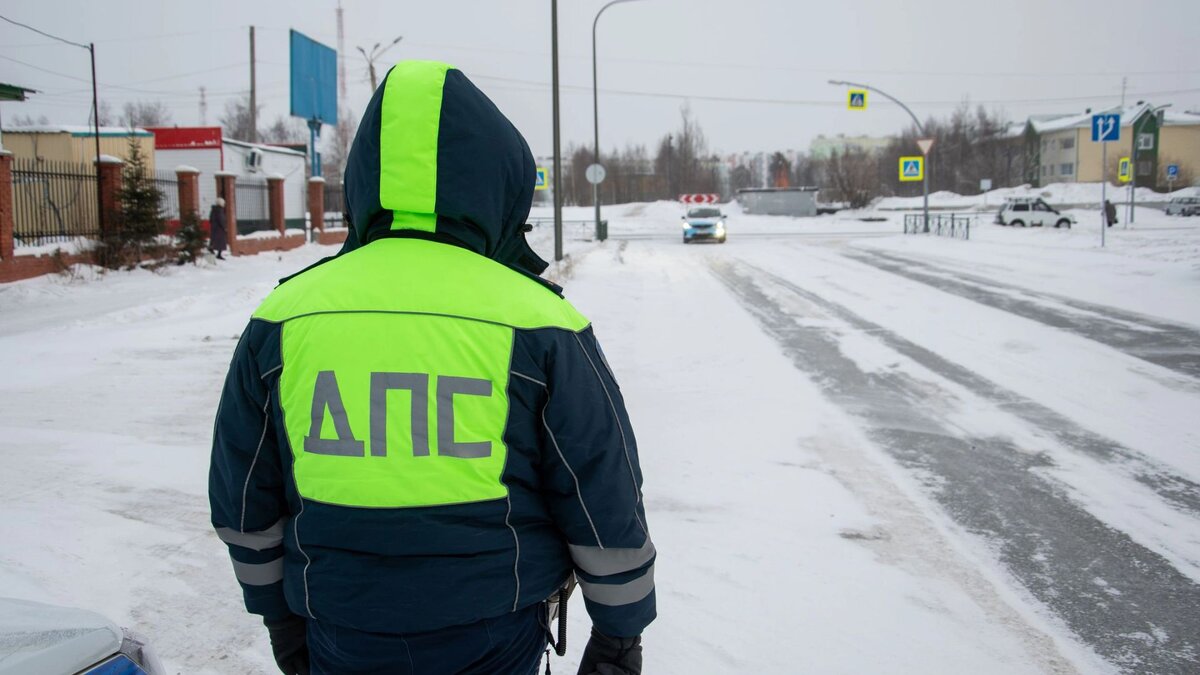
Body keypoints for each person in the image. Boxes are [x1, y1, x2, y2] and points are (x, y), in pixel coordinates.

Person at [209, 60, 655, 675]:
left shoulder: (284, 317)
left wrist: (276, 614)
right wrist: (619, 633)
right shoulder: (539, 320)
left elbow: (244, 492)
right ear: (499, 181)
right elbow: (600, 490)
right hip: (497, 633)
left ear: (365, 178)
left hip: (339, 630)